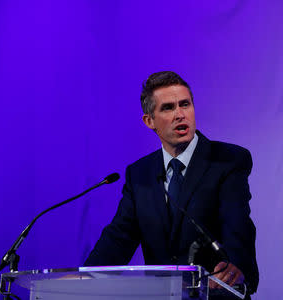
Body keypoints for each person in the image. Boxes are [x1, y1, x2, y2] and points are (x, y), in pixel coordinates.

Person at [84, 71, 259, 296]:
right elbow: (119, 238)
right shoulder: (140, 174)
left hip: (215, 294)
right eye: (168, 108)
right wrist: (85, 277)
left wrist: (236, 267)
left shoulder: (227, 160)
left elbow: (237, 222)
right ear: (150, 121)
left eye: (185, 104)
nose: (180, 114)